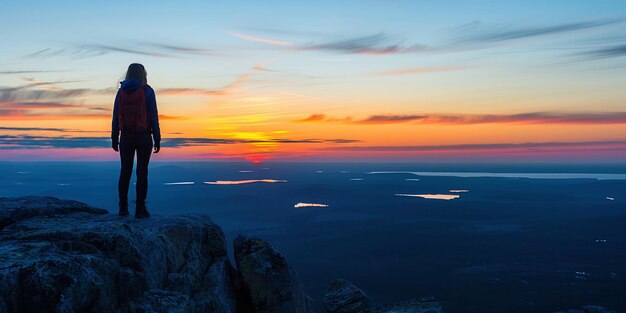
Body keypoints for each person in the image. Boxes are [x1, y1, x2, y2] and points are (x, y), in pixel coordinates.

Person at [111, 63, 161, 218]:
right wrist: (157, 137)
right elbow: (153, 116)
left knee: (125, 172)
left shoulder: (121, 92)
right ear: (143, 74)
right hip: (144, 137)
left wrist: (115, 137)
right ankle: (140, 209)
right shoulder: (148, 91)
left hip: (126, 137)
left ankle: (123, 208)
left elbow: (115, 115)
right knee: (142, 173)